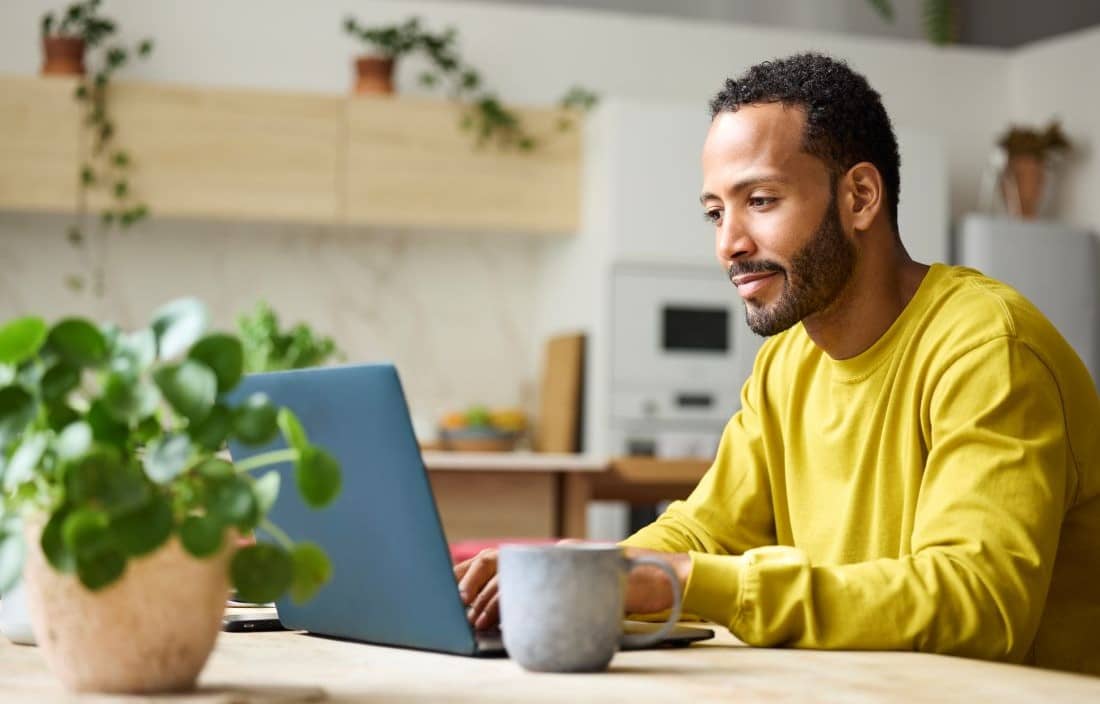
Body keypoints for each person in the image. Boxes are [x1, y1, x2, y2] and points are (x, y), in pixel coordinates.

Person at [454, 52, 1100, 675]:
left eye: (760, 201)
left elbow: (977, 603)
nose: (730, 243)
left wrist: (679, 582)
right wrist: (581, 571)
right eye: (716, 212)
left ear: (861, 198)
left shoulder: (987, 346)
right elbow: (707, 532)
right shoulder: (788, 361)